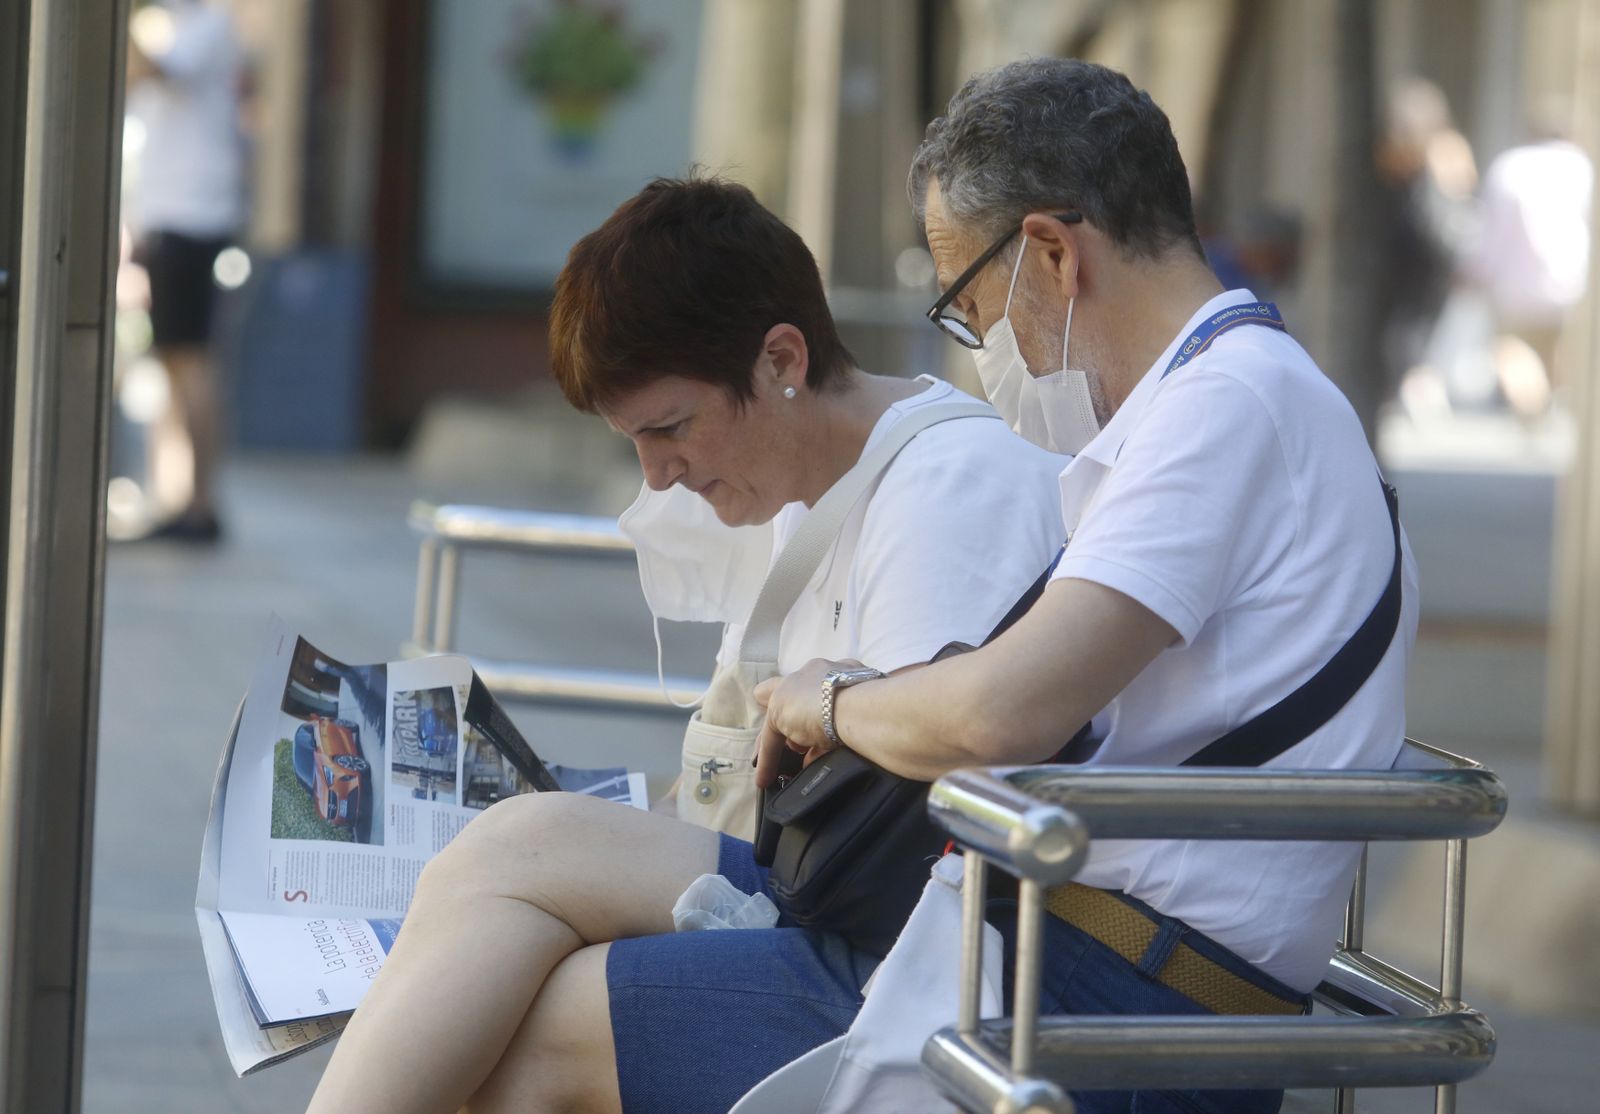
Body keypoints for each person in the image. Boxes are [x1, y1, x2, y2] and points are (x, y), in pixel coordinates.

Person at [307, 178, 1065, 1113]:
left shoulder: (950, 491)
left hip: (914, 961)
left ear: (781, 358)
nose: (657, 473)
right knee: (507, 897)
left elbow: (920, 842)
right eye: (634, 441)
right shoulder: (815, 494)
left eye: (669, 428)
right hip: (842, 906)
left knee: (529, 961)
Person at [755, 58, 1419, 1114]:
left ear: (1052, 254)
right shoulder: (1220, 398)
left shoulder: (1229, 408)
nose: (985, 347)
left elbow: (1001, 709)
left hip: (1109, 995)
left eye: (967, 302)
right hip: (1095, 964)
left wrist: (829, 698)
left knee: (565, 1029)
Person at [124, 0, 246, 541]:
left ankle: (202, 503)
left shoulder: (209, 25)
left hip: (192, 216)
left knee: (192, 358)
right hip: (165, 215)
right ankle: (181, 497)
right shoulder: (169, 26)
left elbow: (157, 70)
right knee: (174, 360)